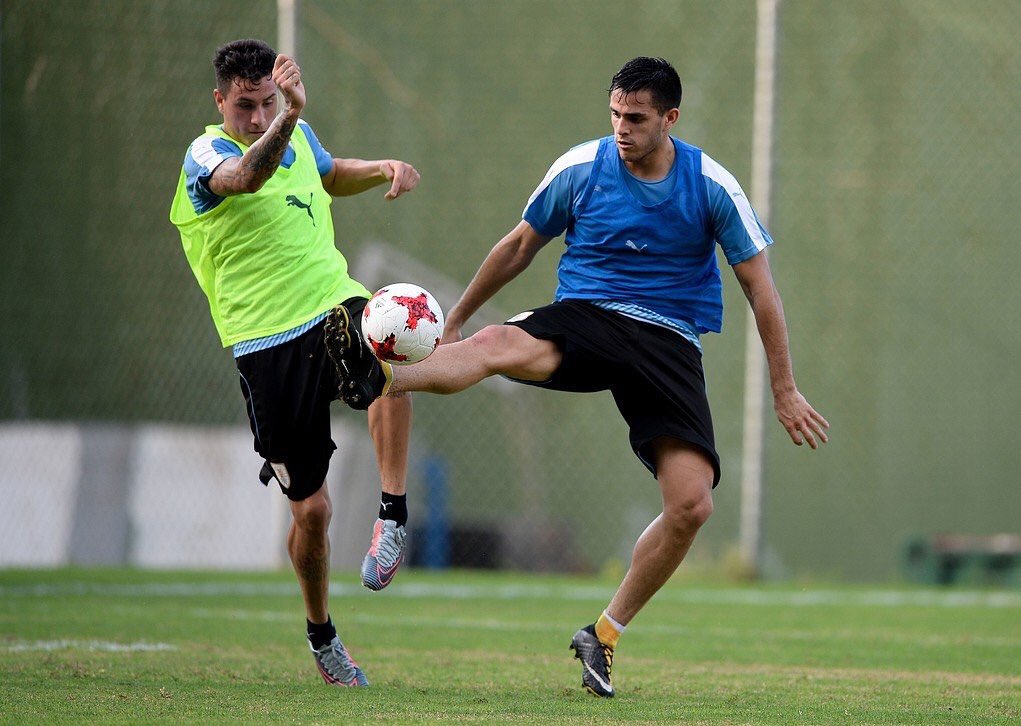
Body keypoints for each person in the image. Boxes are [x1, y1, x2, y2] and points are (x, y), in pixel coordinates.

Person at [337, 56, 830, 697]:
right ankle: (373, 377)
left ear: (670, 119)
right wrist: (452, 319)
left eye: (637, 118)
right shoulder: (580, 169)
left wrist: (785, 389)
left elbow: (762, 292)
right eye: (616, 115)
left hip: (669, 343)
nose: (622, 129)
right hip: (588, 317)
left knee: (692, 505)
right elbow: (519, 245)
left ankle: (603, 635)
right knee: (494, 344)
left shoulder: (710, 184)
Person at [169, 39, 420, 687]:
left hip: (328, 301)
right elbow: (247, 176)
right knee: (312, 514)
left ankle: (392, 515)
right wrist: (288, 117)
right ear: (220, 100)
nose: (257, 117)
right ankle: (322, 634)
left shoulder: (297, 130)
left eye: (267, 104)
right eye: (245, 106)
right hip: (264, 343)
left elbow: (328, 171)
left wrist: (382, 167)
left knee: (395, 350)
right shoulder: (207, 154)